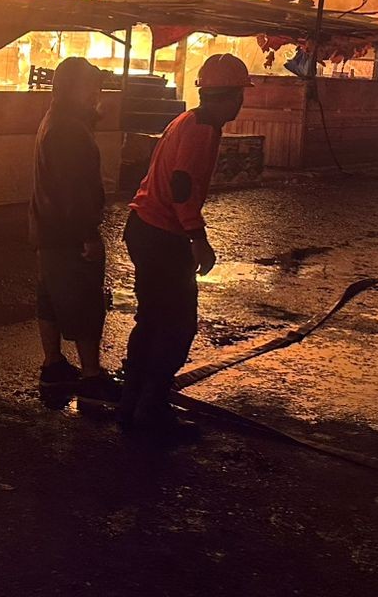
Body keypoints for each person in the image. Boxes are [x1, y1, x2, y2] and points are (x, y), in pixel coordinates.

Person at [117, 52, 251, 435]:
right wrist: (198, 239)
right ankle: (151, 408)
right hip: (162, 234)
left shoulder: (188, 119)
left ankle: (132, 404)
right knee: (177, 326)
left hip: (145, 227)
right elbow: (181, 187)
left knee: (152, 320)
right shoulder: (202, 127)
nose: (242, 102)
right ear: (230, 96)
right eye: (240, 94)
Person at [30, 57, 118, 401]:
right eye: (90, 86)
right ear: (73, 89)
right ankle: (92, 376)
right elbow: (73, 189)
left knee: (49, 299)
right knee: (83, 300)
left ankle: (54, 367)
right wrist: (88, 235)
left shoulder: (58, 119)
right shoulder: (68, 129)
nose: (96, 92)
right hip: (67, 233)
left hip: (47, 227)